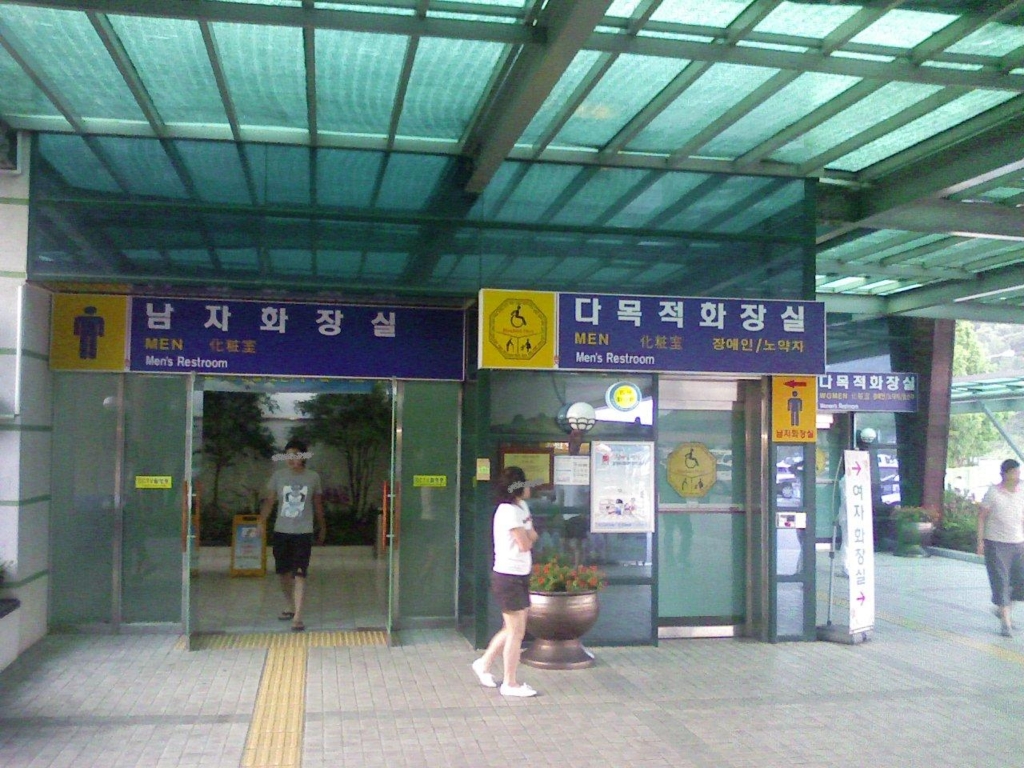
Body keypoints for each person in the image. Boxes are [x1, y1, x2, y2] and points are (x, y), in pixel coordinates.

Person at [471, 466, 539, 697]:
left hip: (520, 574)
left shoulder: (522, 507)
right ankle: (510, 683)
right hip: (507, 576)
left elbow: (533, 536)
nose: (530, 487)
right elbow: (525, 543)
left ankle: (484, 663)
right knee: (516, 632)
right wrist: (527, 535)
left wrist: (528, 535)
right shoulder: (508, 511)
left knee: (510, 628)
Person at [259, 439, 326, 632]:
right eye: (288, 454)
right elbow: (270, 501)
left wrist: (322, 527)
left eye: (295, 455)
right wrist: (261, 522)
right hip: (282, 531)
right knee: (283, 573)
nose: (291, 459)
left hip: (303, 533)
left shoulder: (313, 477)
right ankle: (290, 604)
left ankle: (298, 616)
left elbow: (318, 504)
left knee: (300, 573)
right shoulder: (278, 476)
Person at [977, 458, 1024, 638]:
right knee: (1001, 581)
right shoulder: (993, 493)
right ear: (1005, 474)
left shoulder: (1021, 492)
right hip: (996, 544)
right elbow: (982, 517)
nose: (1018, 476)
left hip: (1018, 542)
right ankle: (1006, 623)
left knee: (1020, 582)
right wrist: (980, 541)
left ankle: (1003, 609)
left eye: (1019, 472)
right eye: (1015, 473)